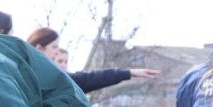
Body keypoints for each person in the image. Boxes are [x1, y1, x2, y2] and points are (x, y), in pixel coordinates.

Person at [27, 27, 160, 92]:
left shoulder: (52, 76)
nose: (56, 52)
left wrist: (128, 73)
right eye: (54, 47)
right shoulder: (25, 75)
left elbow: (88, 79)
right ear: (39, 48)